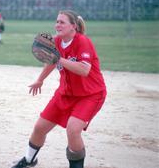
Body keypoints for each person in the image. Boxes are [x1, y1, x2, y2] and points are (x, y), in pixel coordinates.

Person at [11, 10, 107, 168]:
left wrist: (59, 58)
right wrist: (40, 80)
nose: (57, 25)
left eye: (62, 22)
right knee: (39, 128)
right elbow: (51, 62)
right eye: (57, 21)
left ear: (73, 26)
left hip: (90, 95)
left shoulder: (83, 42)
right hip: (65, 93)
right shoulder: (55, 42)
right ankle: (29, 160)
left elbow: (84, 70)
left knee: (73, 129)